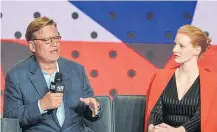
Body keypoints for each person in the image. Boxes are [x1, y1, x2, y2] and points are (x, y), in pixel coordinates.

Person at [3, 16, 102, 132]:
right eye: (47, 40)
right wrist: (41, 106)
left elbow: (91, 110)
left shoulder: (76, 70)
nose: (54, 44)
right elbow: (10, 117)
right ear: (32, 46)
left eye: (56, 38)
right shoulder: (17, 75)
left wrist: (94, 108)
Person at [144, 25, 217, 132]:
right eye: (175, 44)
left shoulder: (212, 81)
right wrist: (152, 128)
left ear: (196, 50)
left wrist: (177, 131)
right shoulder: (160, 76)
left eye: (181, 46)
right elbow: (155, 110)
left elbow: (202, 117)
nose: (175, 49)